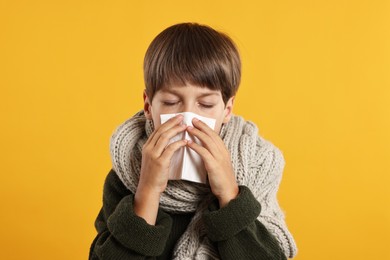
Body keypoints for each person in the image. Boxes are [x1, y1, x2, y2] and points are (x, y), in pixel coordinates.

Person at [89, 22, 297, 260]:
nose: (188, 118)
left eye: (206, 105)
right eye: (170, 102)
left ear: (227, 110)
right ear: (148, 105)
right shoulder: (128, 169)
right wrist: (147, 190)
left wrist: (229, 193)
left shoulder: (257, 165)